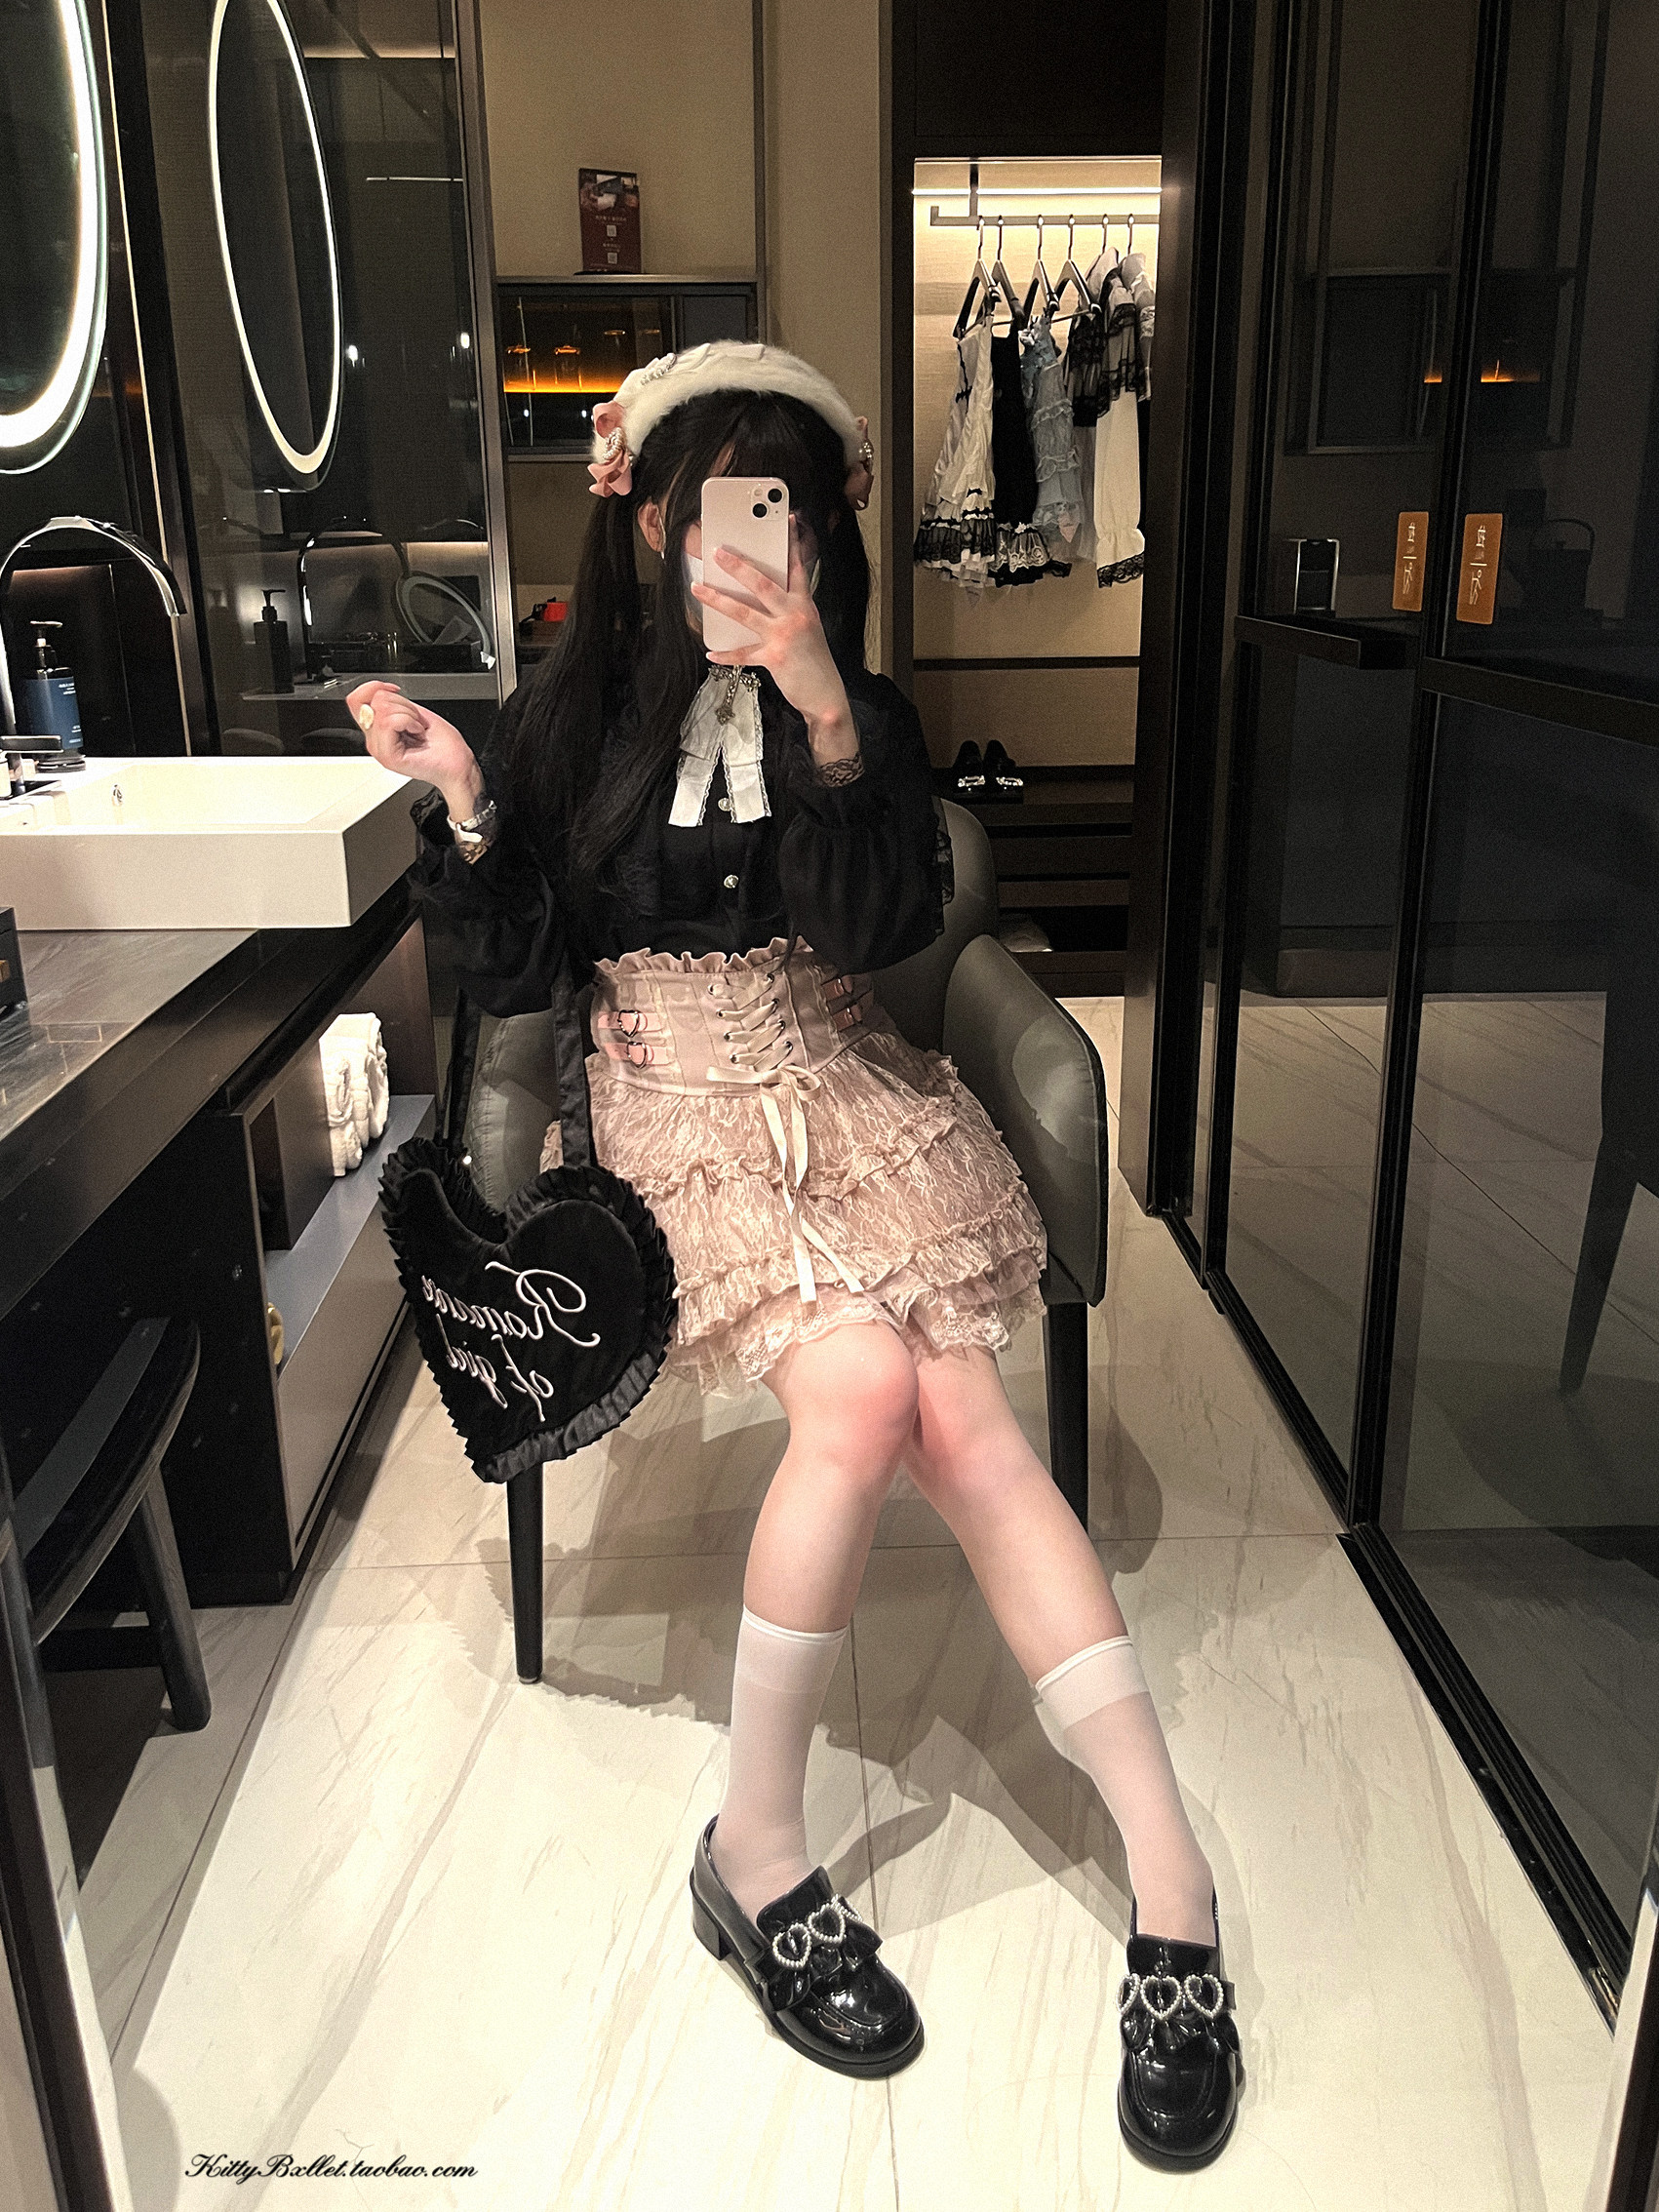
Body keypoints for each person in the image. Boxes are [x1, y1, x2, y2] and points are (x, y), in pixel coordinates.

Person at [352, 341, 1241, 2169]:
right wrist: (466, 802)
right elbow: (520, 968)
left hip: (836, 1075)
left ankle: (1173, 1881)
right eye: (728, 515)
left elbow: (878, 926)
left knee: (962, 1415)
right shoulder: (571, 713)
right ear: (653, 525)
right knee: (855, 1396)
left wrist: (827, 706)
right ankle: (756, 1852)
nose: (766, 552)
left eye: (797, 522)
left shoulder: (863, 711)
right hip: (674, 1104)